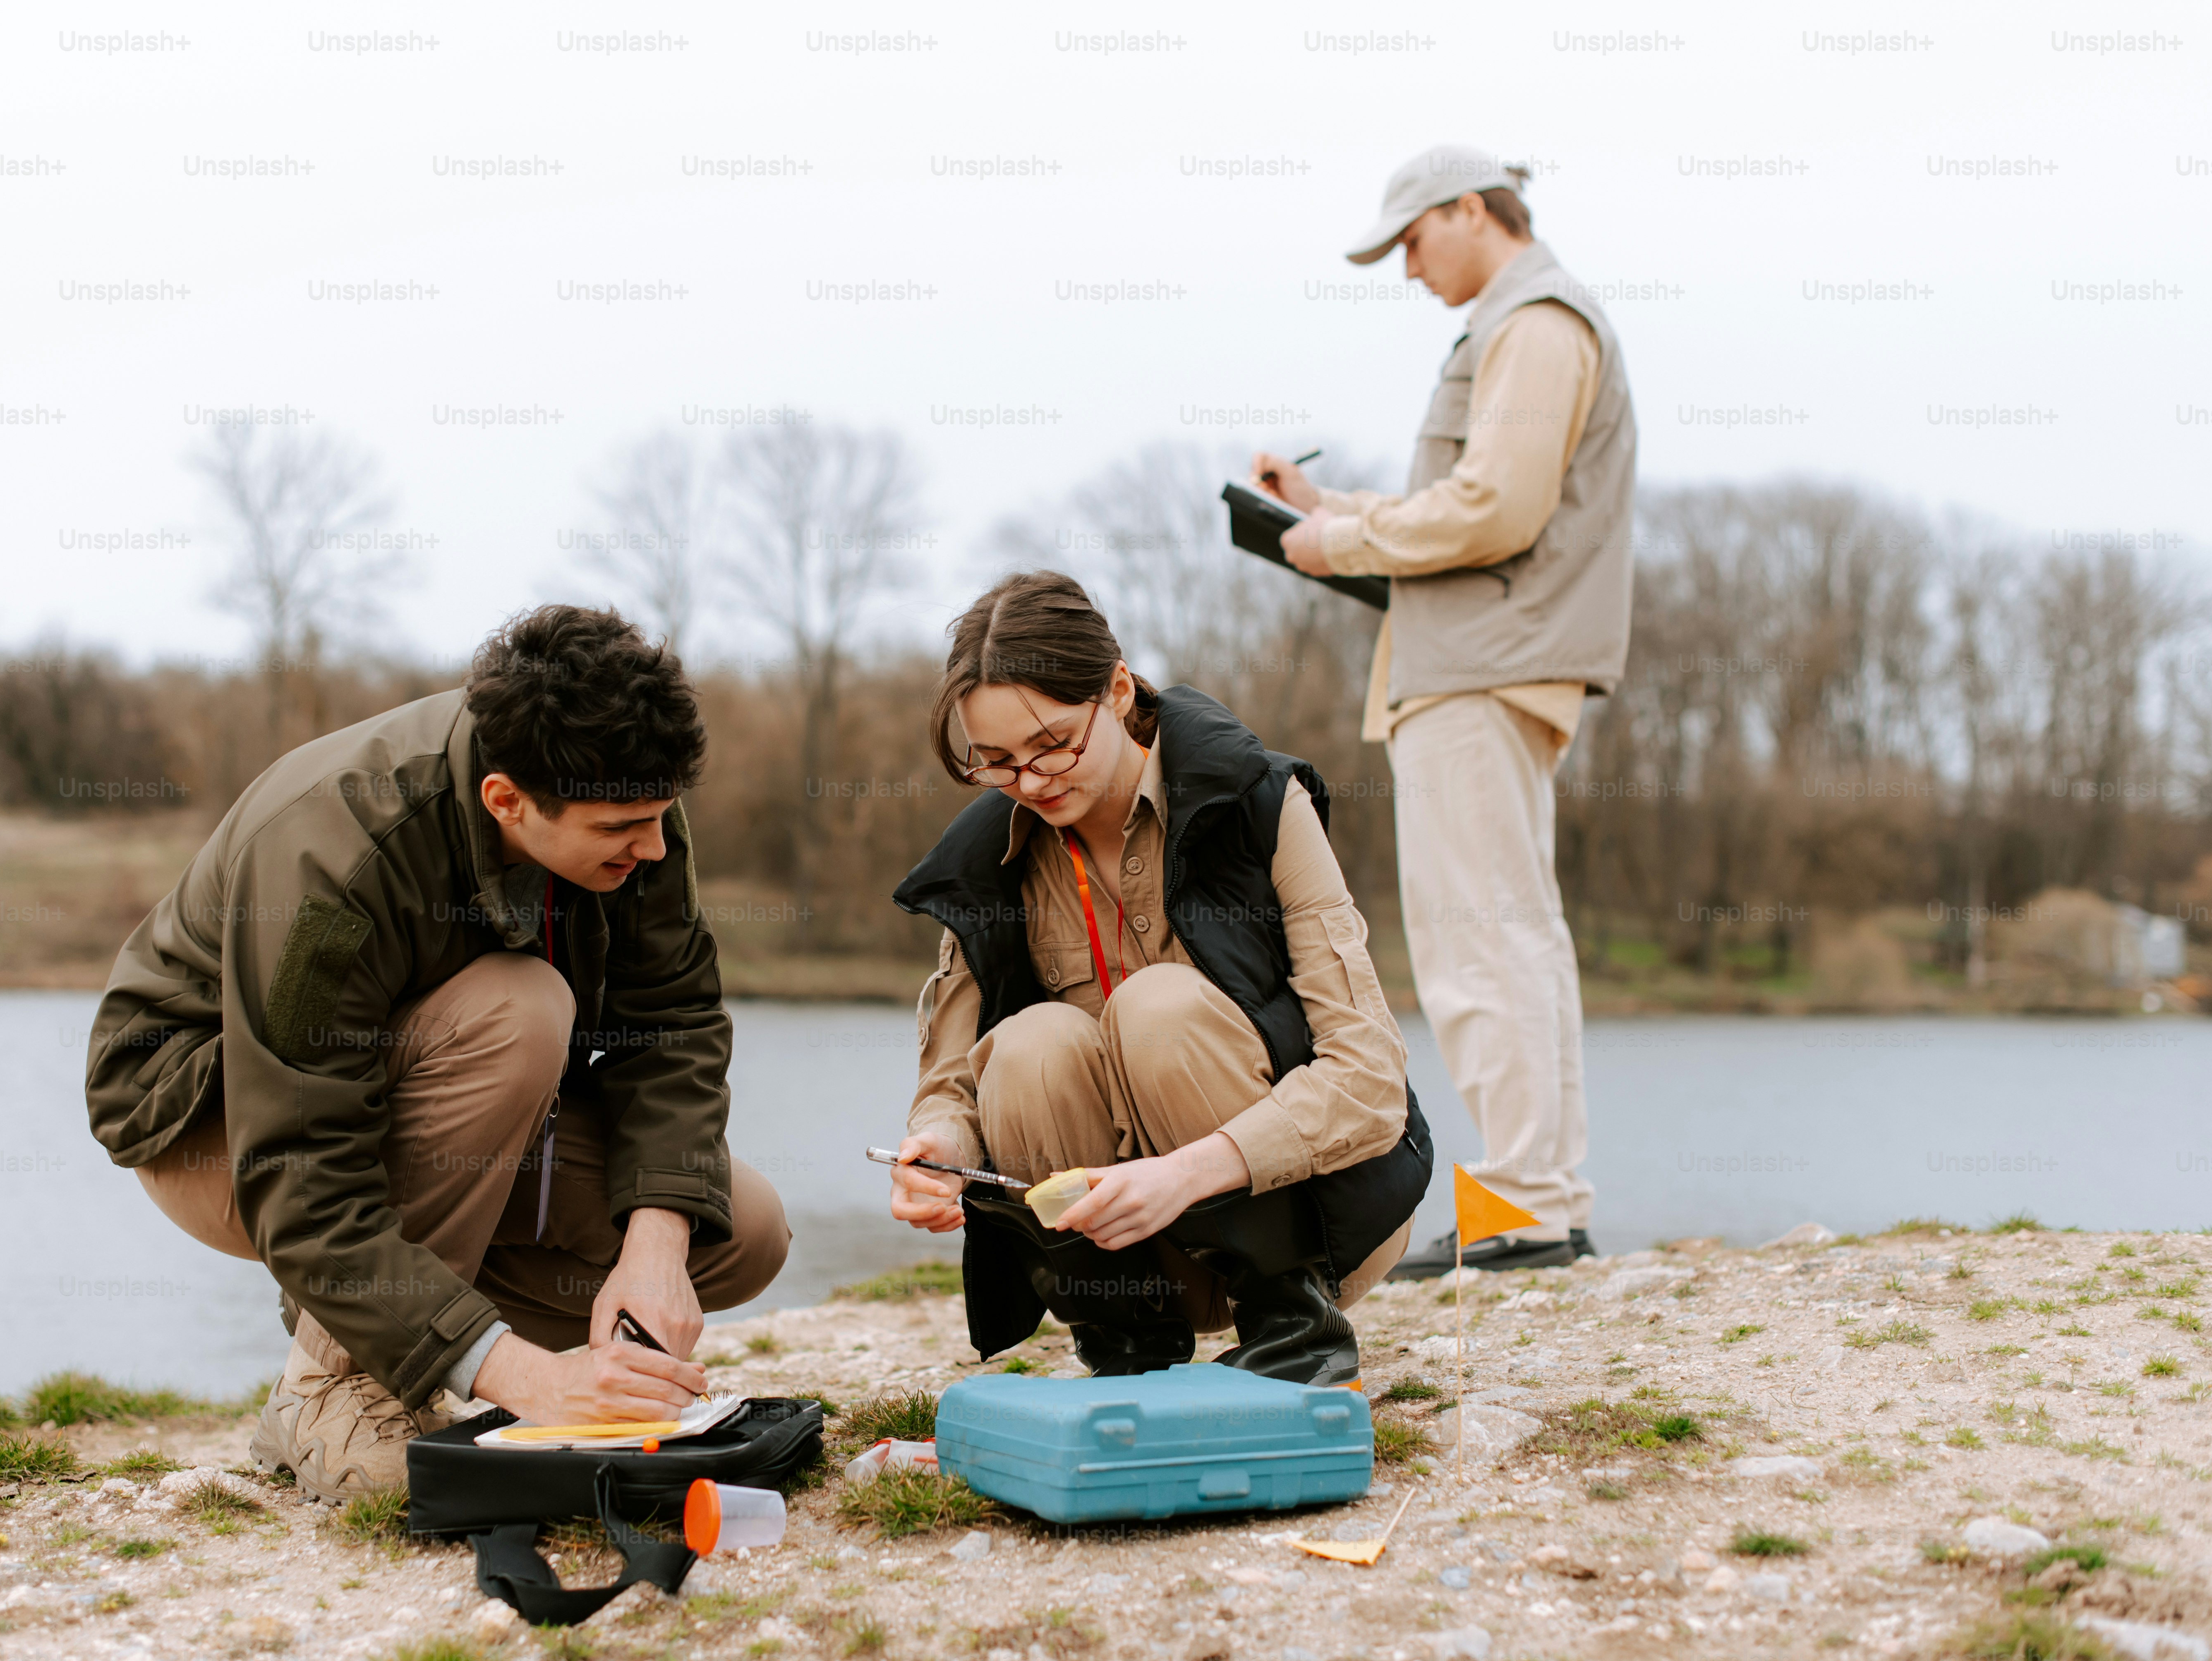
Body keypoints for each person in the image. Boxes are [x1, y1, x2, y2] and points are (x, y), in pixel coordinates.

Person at [84, 606, 788, 1501]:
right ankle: (339, 1383)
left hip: (436, 1117)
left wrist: (652, 1247)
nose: (651, 848)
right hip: (216, 1129)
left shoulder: (627, 801)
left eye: (661, 819)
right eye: (622, 830)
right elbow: (300, 1170)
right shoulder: (332, 856)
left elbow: (672, 1020)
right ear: (506, 800)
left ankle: (397, 1318)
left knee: (740, 1232)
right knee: (519, 1011)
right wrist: (525, 1378)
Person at [885, 572, 1431, 1386]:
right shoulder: (984, 865)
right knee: (1030, 1043)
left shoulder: (1257, 803)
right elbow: (953, 1086)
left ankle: (1294, 1330)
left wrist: (1181, 1173)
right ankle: (1124, 1346)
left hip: (1321, 1226)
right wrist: (940, 1152)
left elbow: (1371, 1082)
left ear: (1115, 689)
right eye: (996, 762)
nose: (1031, 784)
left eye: (1053, 744)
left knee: (1157, 1009)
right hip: (1129, 1259)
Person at [1251, 143, 1637, 1278]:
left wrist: (1344, 543)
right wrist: (1331, 510)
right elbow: (1470, 504)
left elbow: (1497, 506)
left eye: (1415, 241)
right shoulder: (1522, 324)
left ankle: (1523, 1208)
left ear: (1476, 212)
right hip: (1487, 657)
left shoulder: (1535, 322)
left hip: (1480, 665)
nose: (1410, 270)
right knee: (1512, 932)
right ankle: (1539, 1201)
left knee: (1481, 940)